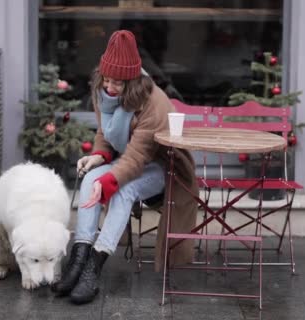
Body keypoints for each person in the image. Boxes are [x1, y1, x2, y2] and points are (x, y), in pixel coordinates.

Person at [50, 30, 199, 304]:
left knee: (122, 190)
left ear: (132, 80)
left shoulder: (151, 101)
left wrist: (108, 182)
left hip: (162, 166)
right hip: (127, 160)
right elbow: (105, 134)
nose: (111, 87)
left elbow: (137, 157)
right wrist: (97, 157)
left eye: (118, 82)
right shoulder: (101, 91)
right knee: (89, 178)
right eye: (107, 79)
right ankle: (79, 256)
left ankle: (94, 266)